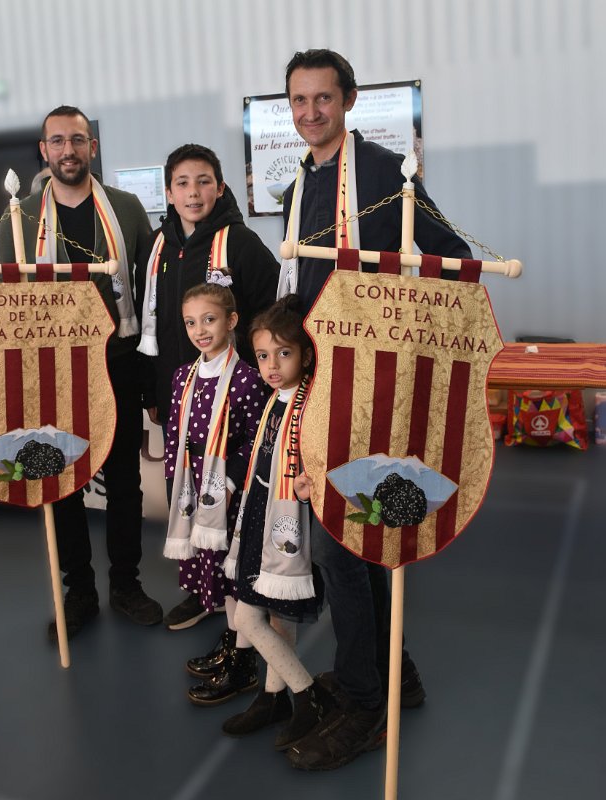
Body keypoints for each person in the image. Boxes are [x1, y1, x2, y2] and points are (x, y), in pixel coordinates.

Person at [280, 49, 474, 771]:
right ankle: (397, 675)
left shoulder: (384, 172)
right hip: (318, 385)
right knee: (351, 542)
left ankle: (365, 705)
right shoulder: (301, 181)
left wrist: (399, 332)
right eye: (298, 101)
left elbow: (451, 258)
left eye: (322, 99)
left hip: (370, 391)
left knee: (344, 543)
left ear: (349, 100)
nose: (310, 113)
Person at [0, 105, 162, 639]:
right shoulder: (20, 216)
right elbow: (6, 298)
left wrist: (151, 375)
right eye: (57, 141)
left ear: (92, 146)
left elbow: (149, 291)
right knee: (59, 479)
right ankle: (80, 592)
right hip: (52, 368)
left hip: (119, 363)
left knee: (125, 481)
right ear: (43, 150)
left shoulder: (126, 208)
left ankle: (126, 584)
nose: (68, 150)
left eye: (77, 139)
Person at [136, 143, 279, 630]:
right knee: (188, 494)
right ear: (169, 192)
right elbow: (153, 325)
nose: (193, 192)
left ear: (220, 187)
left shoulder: (240, 244)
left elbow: (274, 316)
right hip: (179, 395)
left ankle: (244, 591)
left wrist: (264, 379)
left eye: (203, 182)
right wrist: (154, 393)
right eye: (182, 183)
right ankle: (203, 590)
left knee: (233, 498)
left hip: (235, 398)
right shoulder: (157, 248)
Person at [217, 295, 334, 748]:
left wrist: (310, 482)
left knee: (253, 618)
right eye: (263, 355)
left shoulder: (311, 405)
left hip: (289, 521)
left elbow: (321, 459)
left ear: (305, 355)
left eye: (283, 353)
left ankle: (307, 696)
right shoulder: (274, 402)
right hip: (261, 514)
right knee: (267, 615)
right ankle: (273, 697)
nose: (271, 365)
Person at [162, 277, 267, 705]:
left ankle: (243, 661)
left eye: (209, 320)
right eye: (191, 323)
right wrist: (178, 485)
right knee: (216, 573)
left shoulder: (246, 379)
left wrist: (227, 481)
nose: (200, 330)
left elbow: (256, 440)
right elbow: (176, 435)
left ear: (231, 321)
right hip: (195, 492)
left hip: (229, 493)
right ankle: (232, 639)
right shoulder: (183, 376)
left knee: (234, 574)